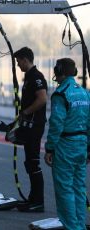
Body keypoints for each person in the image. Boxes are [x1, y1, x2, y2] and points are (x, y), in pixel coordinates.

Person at [44, 58, 89, 230]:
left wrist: (49, 148)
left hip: (65, 145)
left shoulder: (61, 93)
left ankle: (72, 227)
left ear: (59, 71)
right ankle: (79, 226)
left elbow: (56, 123)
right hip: (82, 145)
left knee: (65, 190)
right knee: (79, 188)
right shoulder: (85, 93)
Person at [14, 47, 47, 212]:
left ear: (25, 59)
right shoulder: (28, 77)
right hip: (28, 126)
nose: (17, 64)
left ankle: (38, 202)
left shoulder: (36, 76)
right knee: (29, 162)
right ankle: (33, 198)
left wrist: (26, 112)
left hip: (35, 126)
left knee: (34, 163)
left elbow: (42, 98)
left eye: (18, 61)